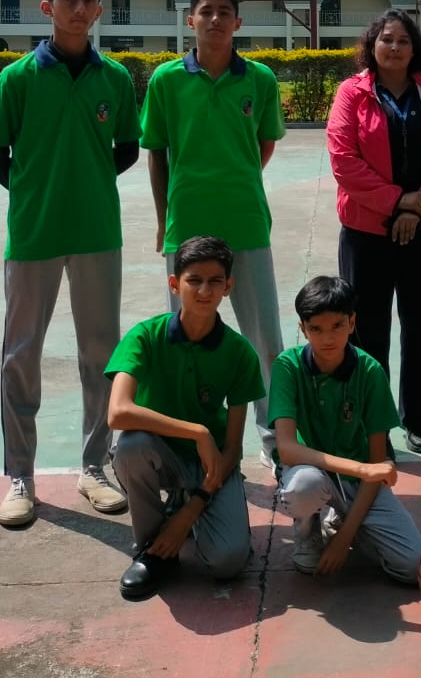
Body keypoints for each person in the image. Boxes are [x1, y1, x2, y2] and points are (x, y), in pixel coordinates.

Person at [0, 0, 139, 529]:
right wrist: (37, 191)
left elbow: (127, 149)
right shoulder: (17, 78)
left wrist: (84, 185)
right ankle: (21, 475)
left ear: (100, 10)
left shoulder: (115, 79)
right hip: (34, 235)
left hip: (97, 232)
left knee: (101, 353)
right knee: (22, 353)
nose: (78, 8)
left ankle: (94, 466)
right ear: (48, 8)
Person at [142, 0, 286, 459]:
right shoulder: (166, 80)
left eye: (225, 12)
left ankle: (274, 440)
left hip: (246, 222)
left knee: (263, 337)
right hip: (187, 226)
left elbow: (264, 143)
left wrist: (237, 178)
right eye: (206, 11)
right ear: (191, 21)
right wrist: (163, 218)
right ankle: (187, 437)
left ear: (238, 23)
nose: (216, 19)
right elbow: (157, 152)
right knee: (184, 336)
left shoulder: (259, 79)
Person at [326, 9, 421, 456]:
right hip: (367, 230)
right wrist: (397, 202)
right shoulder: (352, 93)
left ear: (414, 48)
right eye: (387, 39)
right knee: (367, 328)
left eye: (404, 40)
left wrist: (420, 204)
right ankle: (374, 425)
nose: (395, 47)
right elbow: (344, 161)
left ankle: (417, 421)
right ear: (372, 44)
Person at [106, 236, 264, 599]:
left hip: (210, 465)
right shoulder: (145, 336)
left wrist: (193, 509)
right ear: (175, 284)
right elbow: (118, 412)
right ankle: (153, 551)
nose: (204, 291)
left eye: (215, 281)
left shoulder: (240, 352)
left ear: (229, 286)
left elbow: (232, 448)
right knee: (131, 447)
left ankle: (181, 510)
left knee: (227, 563)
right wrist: (197, 432)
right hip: (159, 453)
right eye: (194, 280)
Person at [270, 274, 421, 583]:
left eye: (337, 326)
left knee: (412, 567)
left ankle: (342, 524)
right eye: (316, 329)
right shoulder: (287, 366)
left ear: (352, 323)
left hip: (359, 482)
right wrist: (362, 468)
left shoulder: (370, 371)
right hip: (311, 473)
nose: (327, 338)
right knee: (304, 485)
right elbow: (287, 449)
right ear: (302, 328)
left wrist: (345, 538)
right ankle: (308, 532)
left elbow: (376, 460)